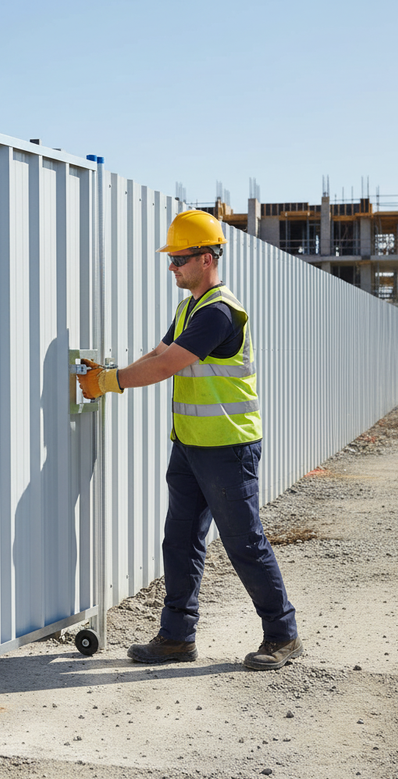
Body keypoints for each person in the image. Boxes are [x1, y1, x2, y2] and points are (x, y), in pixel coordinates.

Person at [77, 209, 302, 671]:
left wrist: (108, 383)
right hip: (191, 445)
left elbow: (165, 367)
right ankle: (177, 637)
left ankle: (283, 634)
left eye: (179, 259)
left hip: (226, 447)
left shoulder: (219, 312)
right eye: (171, 259)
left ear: (206, 258)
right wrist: (109, 373)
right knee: (179, 541)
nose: (172, 267)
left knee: (244, 542)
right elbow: (157, 352)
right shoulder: (188, 309)